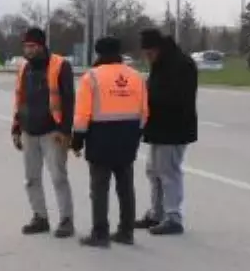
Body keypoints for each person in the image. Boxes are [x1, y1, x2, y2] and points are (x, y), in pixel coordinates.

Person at [71, 36, 149, 247]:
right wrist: (136, 135)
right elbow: (144, 112)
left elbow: (82, 115)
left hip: (100, 138)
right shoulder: (137, 77)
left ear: (98, 53)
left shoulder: (92, 77)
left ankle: (100, 233)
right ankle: (126, 231)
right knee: (125, 187)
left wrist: (77, 141)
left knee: (99, 188)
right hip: (128, 137)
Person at [12, 27, 76, 238]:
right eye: (26, 46)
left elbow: (68, 100)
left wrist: (64, 130)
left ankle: (66, 220)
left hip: (52, 132)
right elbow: (19, 100)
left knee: (58, 177)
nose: (28, 50)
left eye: (32, 46)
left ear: (41, 46)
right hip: (29, 132)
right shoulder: (24, 68)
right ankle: (40, 217)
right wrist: (16, 127)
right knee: (31, 178)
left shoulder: (60, 65)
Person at [137, 29, 198, 235]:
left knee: (169, 172)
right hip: (158, 128)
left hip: (174, 128)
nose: (147, 58)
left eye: (149, 54)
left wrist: (149, 100)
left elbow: (177, 98)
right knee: (153, 171)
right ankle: (157, 213)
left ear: (158, 48)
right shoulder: (161, 64)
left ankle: (173, 216)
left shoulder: (181, 65)